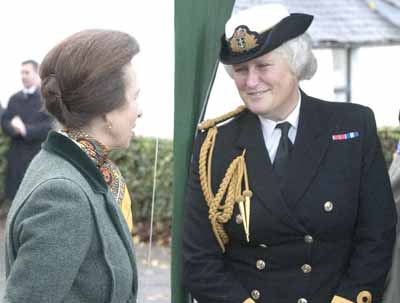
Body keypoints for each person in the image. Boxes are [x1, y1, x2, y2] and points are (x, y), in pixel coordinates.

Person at [182, 4, 397, 303]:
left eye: (263, 66)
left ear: (295, 63)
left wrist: (348, 298)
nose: (251, 81)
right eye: (241, 70)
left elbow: (378, 232)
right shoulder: (214, 144)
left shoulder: (352, 126)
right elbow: (199, 257)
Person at [4, 29, 142, 303]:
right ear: (106, 111)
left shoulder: (81, 167)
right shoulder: (63, 195)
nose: (139, 110)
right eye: (135, 97)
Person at [1, 60, 52, 206]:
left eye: (27, 72)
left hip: (37, 154)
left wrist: (25, 130)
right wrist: (14, 128)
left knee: (36, 197)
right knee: (15, 197)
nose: (23, 76)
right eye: (21, 73)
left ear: (37, 74)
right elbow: (5, 121)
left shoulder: (46, 100)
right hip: (16, 153)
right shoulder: (14, 99)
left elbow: (49, 126)